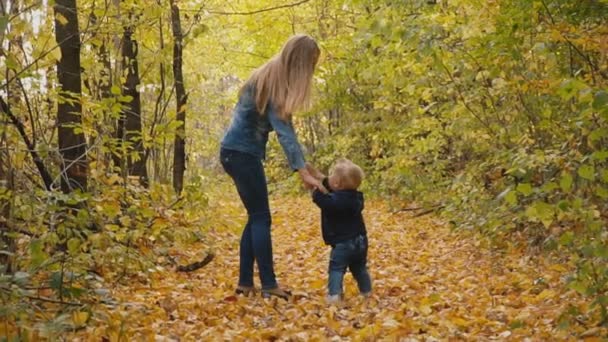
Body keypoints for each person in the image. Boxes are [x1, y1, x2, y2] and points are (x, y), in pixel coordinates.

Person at [220, 34, 326, 300]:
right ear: (301, 62)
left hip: (234, 152)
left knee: (255, 216)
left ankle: (246, 283)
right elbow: (284, 134)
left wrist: (306, 165)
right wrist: (301, 171)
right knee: (261, 218)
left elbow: (287, 130)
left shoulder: (268, 77)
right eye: (311, 65)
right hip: (242, 154)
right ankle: (268, 285)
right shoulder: (274, 84)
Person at [309, 158, 372, 303]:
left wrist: (316, 192)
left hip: (344, 242)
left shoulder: (337, 201)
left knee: (336, 268)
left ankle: (334, 295)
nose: (328, 178)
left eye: (331, 176)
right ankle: (366, 290)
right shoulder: (355, 197)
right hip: (361, 241)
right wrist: (319, 178)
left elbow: (327, 203)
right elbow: (333, 192)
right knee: (359, 268)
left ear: (337, 183)